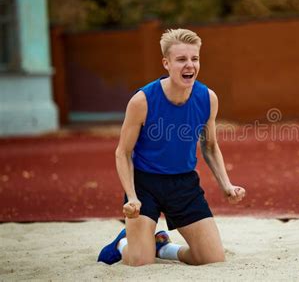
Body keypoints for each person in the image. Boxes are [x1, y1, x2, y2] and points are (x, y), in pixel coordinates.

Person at [97, 28, 246, 266]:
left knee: (211, 258)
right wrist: (132, 197)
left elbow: (210, 147)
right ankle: (122, 244)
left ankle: (162, 247)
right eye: (181, 59)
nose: (190, 65)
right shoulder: (142, 101)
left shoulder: (208, 98)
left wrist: (226, 185)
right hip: (145, 184)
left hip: (183, 183)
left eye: (194, 58)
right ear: (166, 63)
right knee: (139, 262)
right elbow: (122, 153)